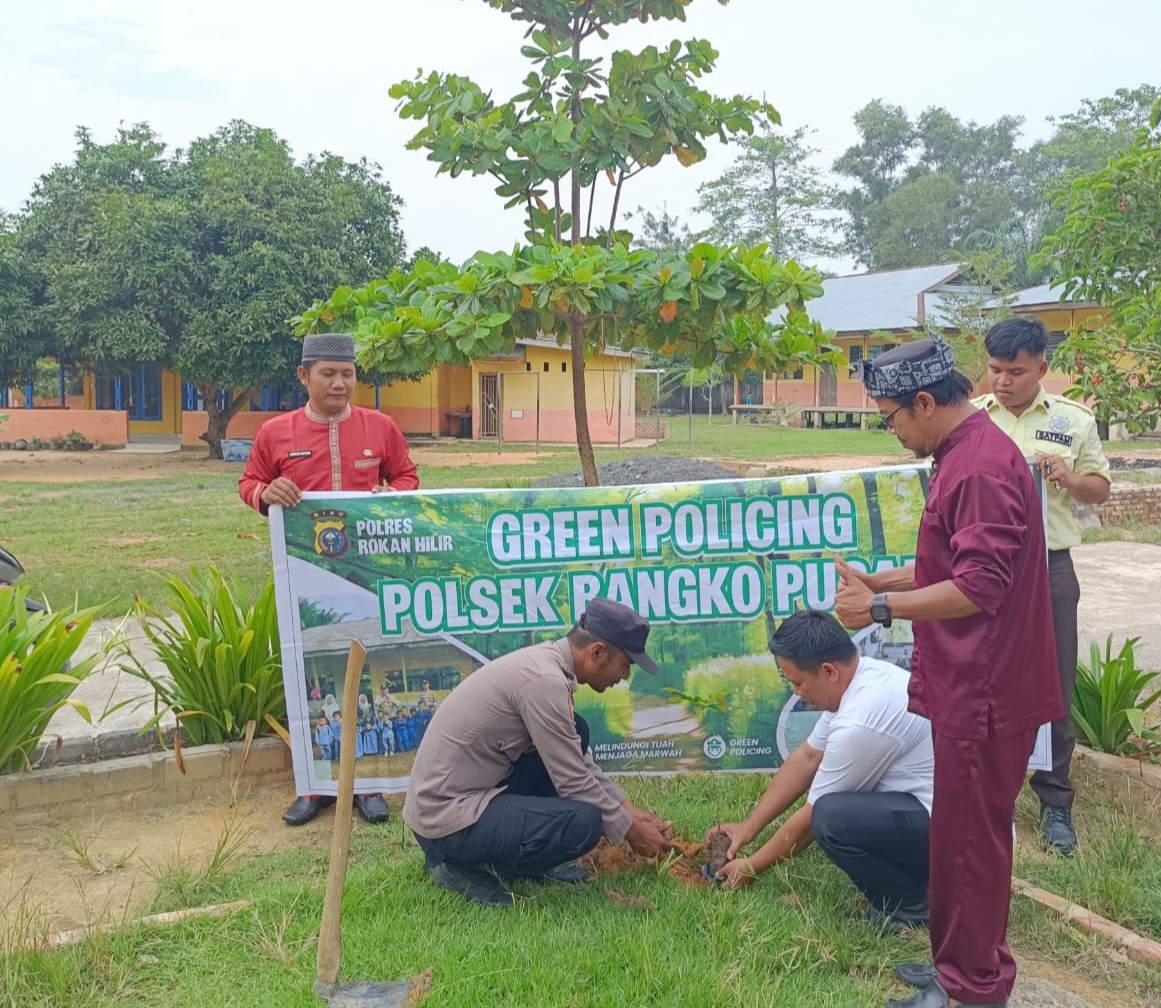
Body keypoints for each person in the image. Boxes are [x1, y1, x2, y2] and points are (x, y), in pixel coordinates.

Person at [834, 335, 1061, 1008]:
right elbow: (957, 565)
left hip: (986, 689)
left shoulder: (980, 468)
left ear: (925, 402)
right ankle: (961, 961)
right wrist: (890, 578)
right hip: (975, 683)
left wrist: (879, 605)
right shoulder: (971, 452)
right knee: (962, 836)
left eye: (893, 418)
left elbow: (980, 587)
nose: (894, 431)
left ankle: (970, 987)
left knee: (971, 843)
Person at [239, 332, 419, 827]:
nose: (340, 383)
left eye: (348, 374)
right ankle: (314, 787)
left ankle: (369, 786)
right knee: (307, 677)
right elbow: (249, 483)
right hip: (303, 574)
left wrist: (390, 494)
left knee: (366, 670)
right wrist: (265, 492)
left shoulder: (380, 427)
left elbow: (407, 477)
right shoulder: (275, 433)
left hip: (366, 578)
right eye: (328, 374)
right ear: (304, 376)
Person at [403, 597, 674, 908]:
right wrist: (631, 831)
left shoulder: (548, 667)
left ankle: (515, 862)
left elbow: (576, 759)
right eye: (625, 665)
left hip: (472, 793)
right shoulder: (543, 681)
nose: (624, 677)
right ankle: (454, 866)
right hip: (444, 817)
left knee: (578, 730)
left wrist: (626, 806)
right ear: (597, 652)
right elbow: (573, 782)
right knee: (585, 822)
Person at [974, 317, 1111, 855]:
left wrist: (1067, 477)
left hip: (1050, 567)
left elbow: (1098, 489)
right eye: (993, 370)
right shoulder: (973, 422)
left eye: (1016, 372)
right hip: (984, 568)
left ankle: (1055, 801)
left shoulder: (1073, 421)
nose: (1002, 382)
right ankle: (989, 794)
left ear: (1043, 369)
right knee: (983, 677)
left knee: (1052, 684)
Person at [707, 610, 933, 933]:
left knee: (830, 818)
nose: (796, 692)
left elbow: (807, 823)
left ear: (828, 671)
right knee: (833, 812)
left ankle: (910, 905)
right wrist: (748, 827)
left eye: (798, 682)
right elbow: (808, 758)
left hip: (953, 837)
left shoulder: (860, 719)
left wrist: (752, 867)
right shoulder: (858, 682)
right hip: (931, 815)